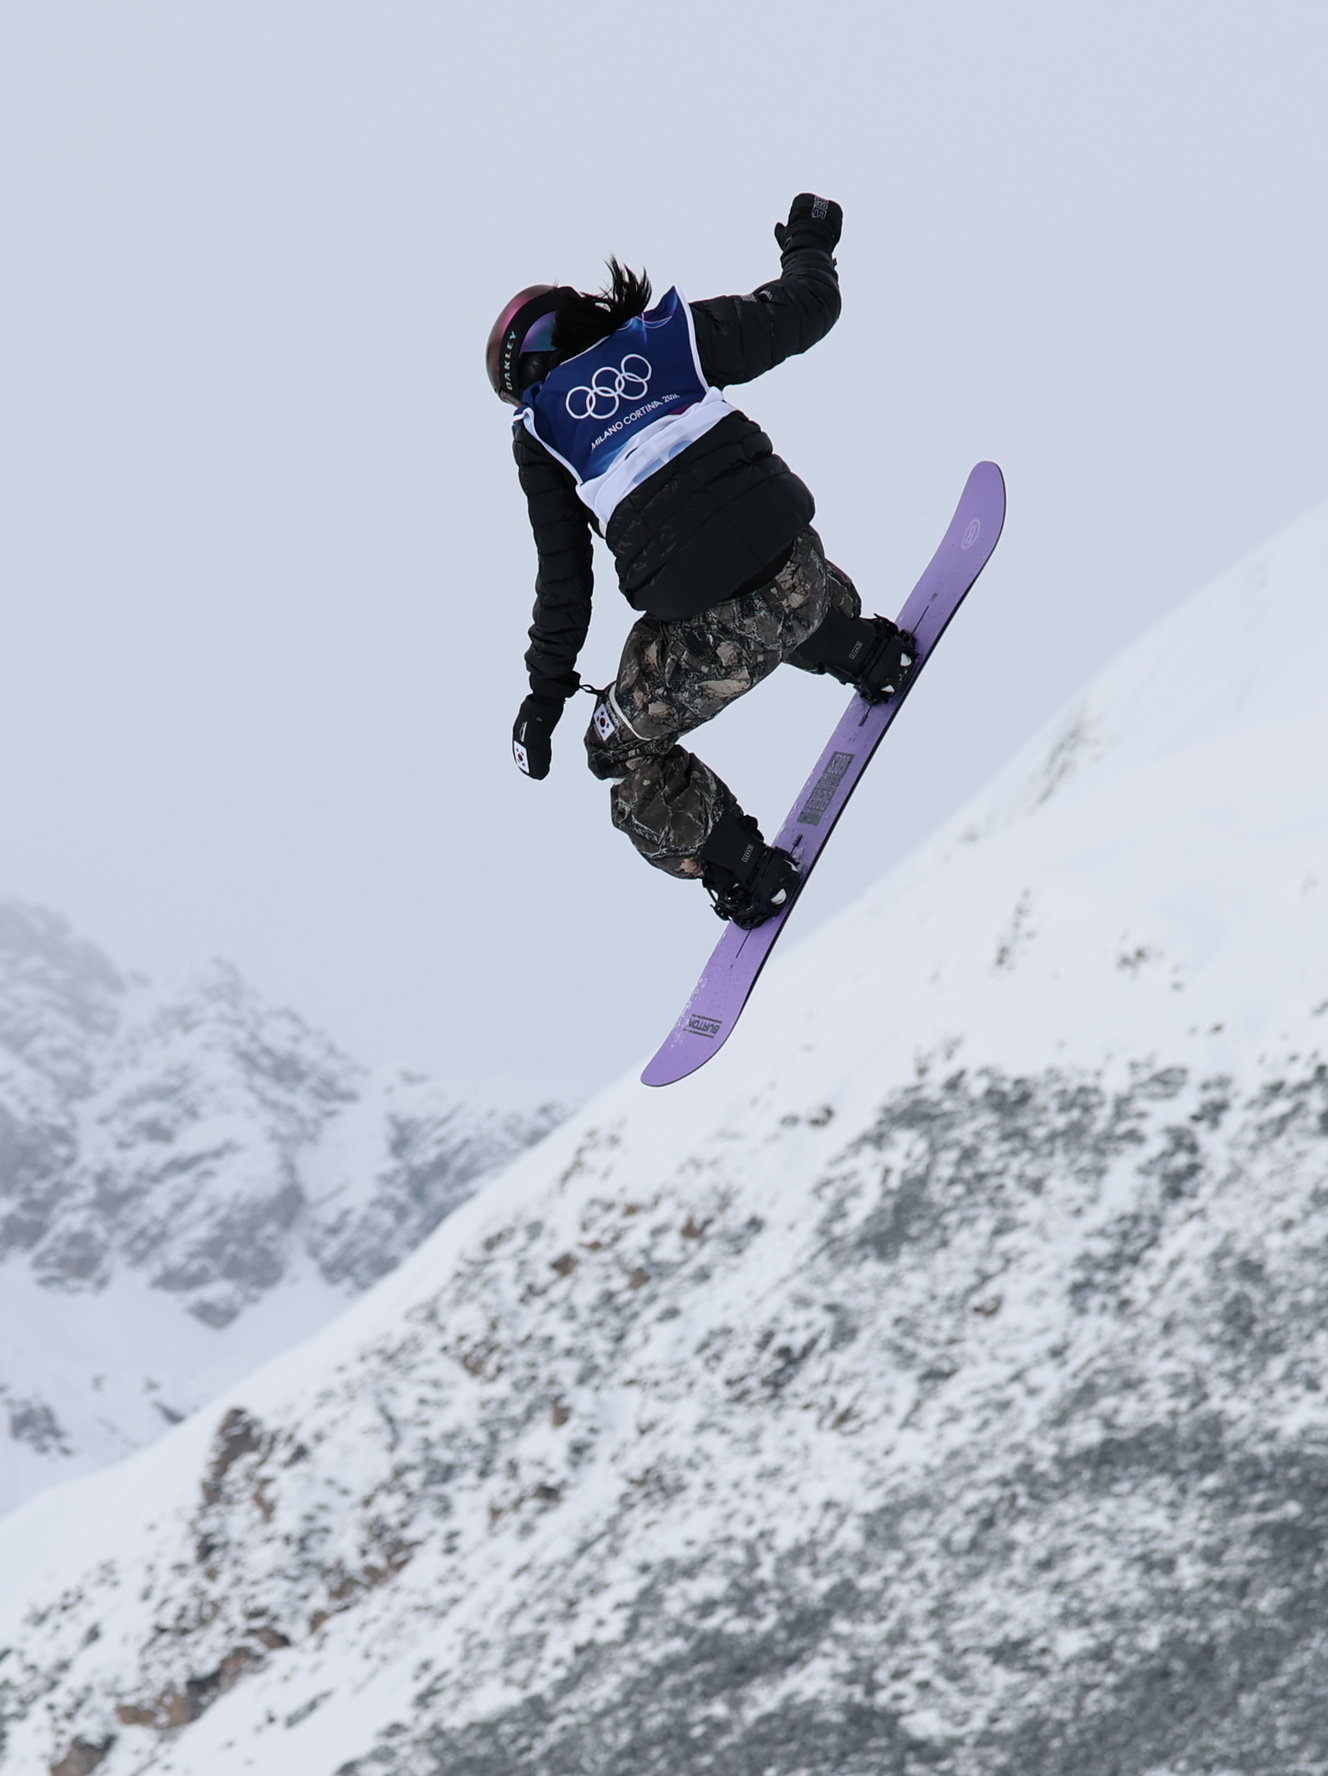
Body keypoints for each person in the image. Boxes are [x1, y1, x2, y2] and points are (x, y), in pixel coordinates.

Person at [486, 194, 914, 929]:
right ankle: (863, 650)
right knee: (745, 575)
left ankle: (745, 870)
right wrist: (809, 243)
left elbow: (565, 580)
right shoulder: (665, 340)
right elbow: (804, 309)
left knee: (616, 751)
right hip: (802, 577)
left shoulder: (544, 433)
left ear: (523, 381)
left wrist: (547, 695)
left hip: (723, 632)